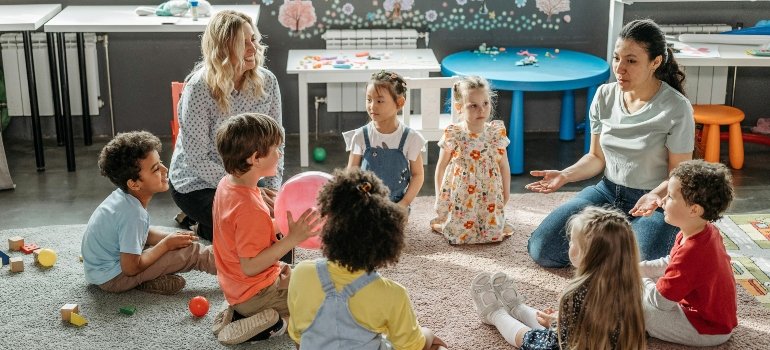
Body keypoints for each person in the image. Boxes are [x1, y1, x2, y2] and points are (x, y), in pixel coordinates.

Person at [526, 18, 694, 267]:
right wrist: (565, 174)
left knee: (641, 267)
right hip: (606, 191)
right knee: (543, 249)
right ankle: (613, 247)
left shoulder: (676, 107)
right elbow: (596, 158)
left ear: (655, 62)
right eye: (617, 58)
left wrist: (655, 196)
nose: (620, 68)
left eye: (631, 60)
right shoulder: (605, 95)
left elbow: (679, 174)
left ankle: (611, 248)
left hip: (653, 201)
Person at [287, 168, 448, 350]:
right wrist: (428, 334)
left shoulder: (301, 273)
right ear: (386, 241)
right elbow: (411, 346)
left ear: (329, 229)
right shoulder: (393, 294)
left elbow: (298, 337)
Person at [169, 10, 283, 241]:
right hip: (198, 183)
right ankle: (201, 223)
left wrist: (273, 191)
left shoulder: (268, 81)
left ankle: (207, 225)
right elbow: (197, 159)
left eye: (254, 40)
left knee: (273, 222)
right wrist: (248, 190)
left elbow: (276, 143)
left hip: (249, 178)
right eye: (243, 43)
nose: (253, 48)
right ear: (223, 49)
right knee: (251, 225)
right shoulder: (199, 88)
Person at [210, 113, 321, 345]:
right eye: (275, 149)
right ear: (255, 159)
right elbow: (250, 266)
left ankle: (237, 311)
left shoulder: (227, 184)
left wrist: (279, 225)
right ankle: (275, 322)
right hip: (255, 292)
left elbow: (241, 235)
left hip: (237, 285)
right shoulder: (250, 208)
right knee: (320, 304)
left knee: (308, 275)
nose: (279, 154)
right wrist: (291, 239)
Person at [471, 206, 646, 349]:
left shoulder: (577, 293)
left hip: (570, 344)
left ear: (585, 254)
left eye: (572, 241)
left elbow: (563, 340)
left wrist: (557, 324)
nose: (569, 244)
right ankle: (517, 308)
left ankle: (495, 314)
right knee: (548, 322)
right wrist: (559, 320)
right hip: (592, 340)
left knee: (528, 337)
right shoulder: (632, 286)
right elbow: (593, 325)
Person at [81, 131, 216, 295]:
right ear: (134, 184)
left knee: (172, 244)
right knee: (190, 252)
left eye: (161, 163)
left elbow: (142, 232)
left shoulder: (124, 198)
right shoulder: (133, 215)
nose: (165, 169)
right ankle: (239, 270)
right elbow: (131, 268)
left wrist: (168, 238)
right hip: (114, 278)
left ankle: (148, 280)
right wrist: (166, 245)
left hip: (101, 272)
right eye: (155, 169)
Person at [640, 160, 736, 346]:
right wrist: (636, 269)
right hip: (710, 317)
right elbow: (670, 262)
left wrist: (637, 279)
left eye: (670, 196)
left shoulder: (693, 251)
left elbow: (661, 302)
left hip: (707, 328)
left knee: (642, 310)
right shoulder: (701, 231)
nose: (663, 200)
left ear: (694, 210)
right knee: (640, 287)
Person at [430, 75, 511, 244]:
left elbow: (504, 166)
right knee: (459, 233)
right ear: (459, 107)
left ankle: (487, 224)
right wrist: (440, 197)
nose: (481, 110)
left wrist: (506, 193)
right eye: (473, 105)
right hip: (462, 195)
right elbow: (441, 166)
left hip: (488, 193)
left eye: (485, 104)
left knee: (491, 233)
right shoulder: (454, 133)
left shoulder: (496, 133)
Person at [343, 70, 425, 207]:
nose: (372, 106)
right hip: (365, 203)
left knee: (389, 227)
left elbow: (417, 175)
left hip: (396, 205)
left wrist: (404, 203)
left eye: (380, 101)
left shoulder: (411, 138)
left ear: (399, 103)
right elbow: (351, 173)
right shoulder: (360, 136)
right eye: (369, 100)